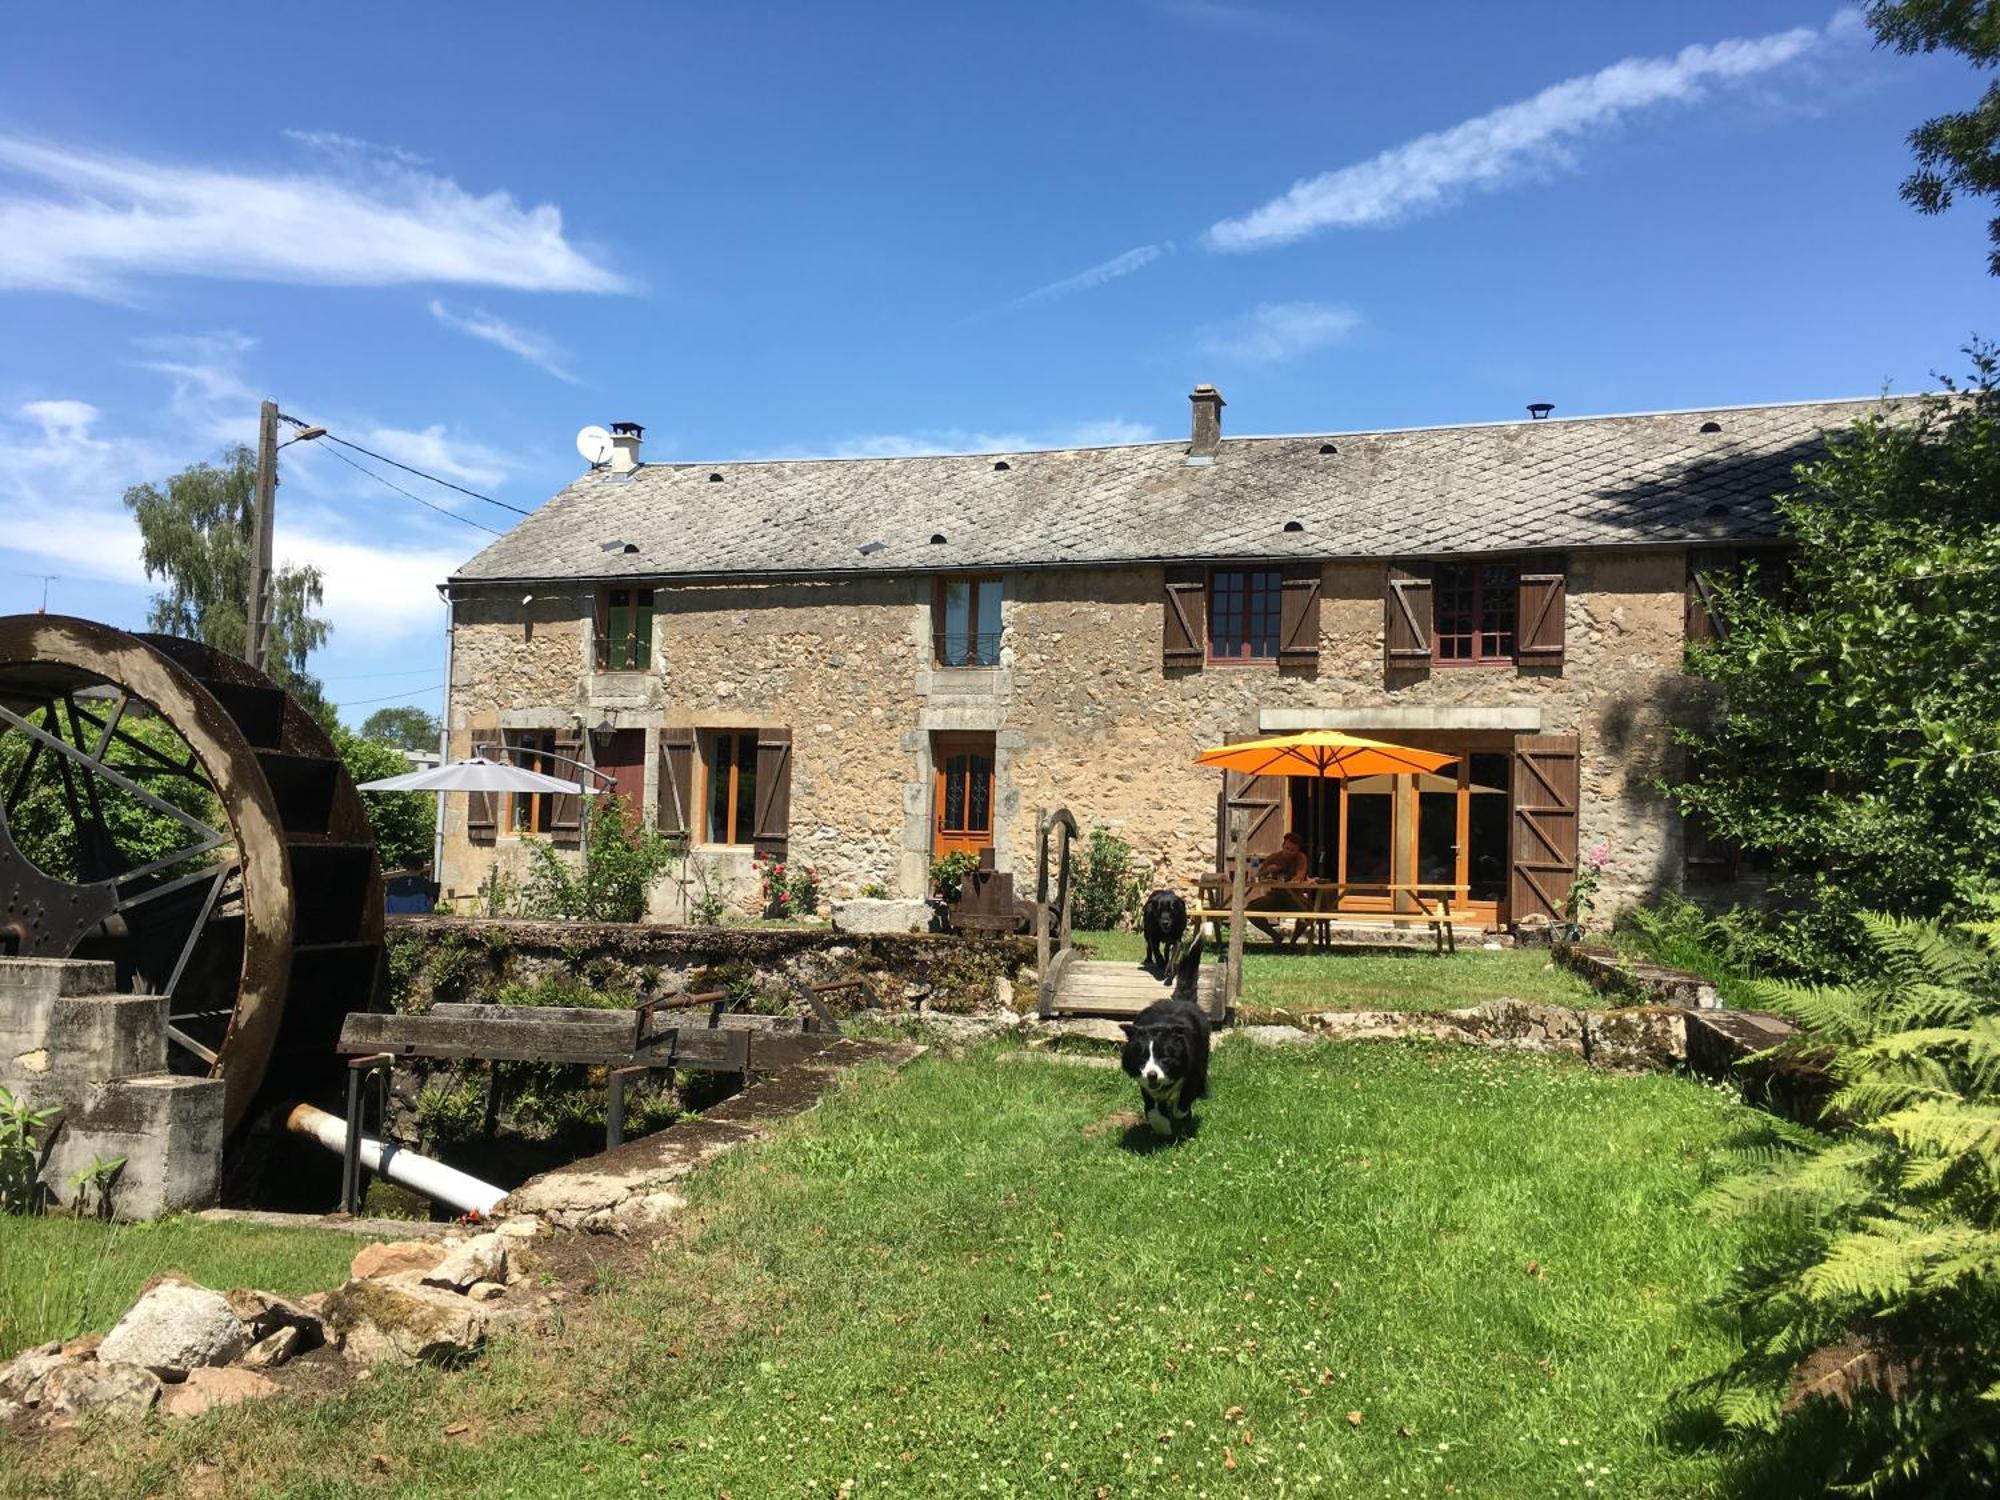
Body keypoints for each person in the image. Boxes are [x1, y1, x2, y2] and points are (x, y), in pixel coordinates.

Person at [1247, 831, 1311, 946]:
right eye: (1287, 848)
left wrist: (1293, 881)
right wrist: (1268, 870)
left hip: (1295, 897)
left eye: (1293, 850)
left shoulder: (1301, 858)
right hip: (1275, 896)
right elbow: (1257, 874)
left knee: (1308, 913)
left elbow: (1299, 876)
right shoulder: (1274, 857)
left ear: (1298, 850)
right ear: (1283, 846)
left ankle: (1293, 941)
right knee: (1250, 909)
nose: (1289, 852)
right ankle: (1275, 936)